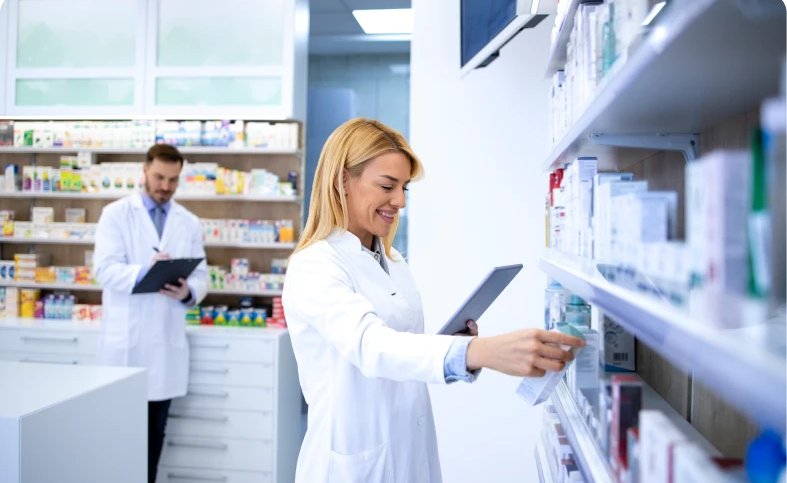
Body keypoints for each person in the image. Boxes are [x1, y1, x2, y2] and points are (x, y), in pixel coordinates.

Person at [282, 118, 585, 483]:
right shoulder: (315, 265)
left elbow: (402, 348)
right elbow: (371, 345)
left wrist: (452, 346)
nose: (399, 201)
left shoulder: (392, 261)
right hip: (355, 462)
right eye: (387, 186)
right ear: (340, 181)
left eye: (404, 188)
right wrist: (477, 352)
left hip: (411, 448)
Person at [93, 143, 208, 483]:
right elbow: (104, 270)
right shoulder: (115, 214)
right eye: (159, 177)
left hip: (165, 348)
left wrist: (188, 291)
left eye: (173, 180)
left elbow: (201, 275)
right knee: (118, 437)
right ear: (144, 172)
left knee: (155, 435)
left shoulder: (189, 222)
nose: (165, 186)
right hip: (125, 347)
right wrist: (147, 272)